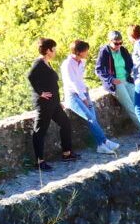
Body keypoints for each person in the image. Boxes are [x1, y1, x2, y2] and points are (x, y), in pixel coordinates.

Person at [62, 39, 121, 155]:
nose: (87, 53)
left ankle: (102, 144)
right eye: (85, 51)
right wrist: (83, 99)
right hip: (73, 95)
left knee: (93, 118)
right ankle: (103, 142)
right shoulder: (68, 64)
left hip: (84, 92)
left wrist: (86, 93)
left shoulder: (81, 62)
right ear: (79, 52)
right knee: (90, 118)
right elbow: (72, 82)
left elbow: (80, 80)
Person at [28, 37, 76, 170]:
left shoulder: (47, 63)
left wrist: (58, 101)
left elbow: (52, 84)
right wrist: (40, 93)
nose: (55, 52)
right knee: (40, 131)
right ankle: (39, 161)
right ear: (48, 50)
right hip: (44, 104)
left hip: (54, 103)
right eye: (53, 49)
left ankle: (67, 153)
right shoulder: (38, 63)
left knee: (65, 123)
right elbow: (30, 77)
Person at [95, 30, 140, 141]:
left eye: (120, 43)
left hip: (127, 80)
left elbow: (131, 65)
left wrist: (134, 74)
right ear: (109, 41)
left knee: (138, 103)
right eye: (116, 43)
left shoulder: (123, 50)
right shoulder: (105, 51)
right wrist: (111, 79)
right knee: (130, 106)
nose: (118, 45)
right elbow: (99, 70)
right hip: (116, 83)